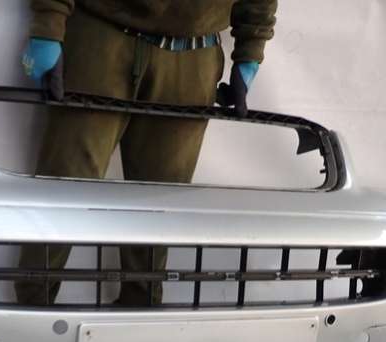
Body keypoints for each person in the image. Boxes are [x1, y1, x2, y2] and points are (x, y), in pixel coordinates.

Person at [16, 0, 277, 306]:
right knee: (64, 186)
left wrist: (251, 50)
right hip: (102, 36)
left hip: (194, 53)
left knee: (159, 204)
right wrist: (48, 24)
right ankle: (30, 313)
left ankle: (139, 314)